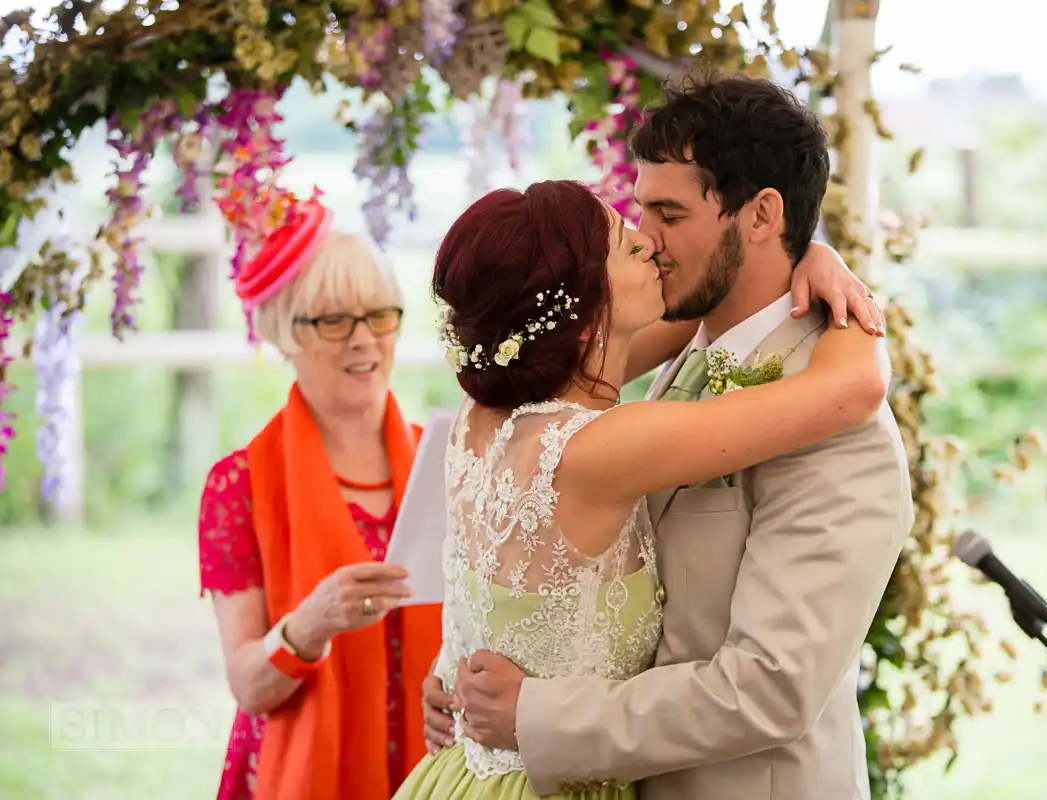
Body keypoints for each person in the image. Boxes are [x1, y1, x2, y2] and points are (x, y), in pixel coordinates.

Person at [422, 70, 914, 800]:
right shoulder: (657, 351)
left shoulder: (838, 430)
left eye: (668, 214)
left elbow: (771, 688)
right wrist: (465, 667)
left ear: (759, 215)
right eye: (639, 214)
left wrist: (532, 714)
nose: (647, 242)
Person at [197, 193, 441, 800]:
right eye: (334, 321)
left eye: (380, 315)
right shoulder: (238, 486)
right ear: (284, 333)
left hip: (433, 770)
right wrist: (309, 625)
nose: (364, 340)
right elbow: (249, 687)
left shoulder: (443, 459)